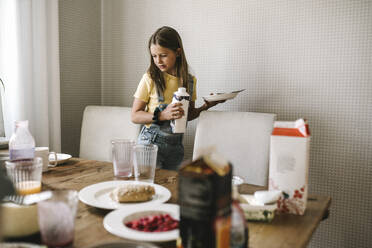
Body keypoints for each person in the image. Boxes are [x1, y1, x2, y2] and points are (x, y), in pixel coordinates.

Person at [131, 26, 224, 170]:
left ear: (178, 52)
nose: (158, 61)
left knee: (172, 189)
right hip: (149, 144)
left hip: (175, 148)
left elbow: (188, 115)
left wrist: (206, 106)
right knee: (151, 188)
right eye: (154, 56)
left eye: (163, 55)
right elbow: (135, 115)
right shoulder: (150, 78)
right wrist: (162, 115)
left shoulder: (190, 81)